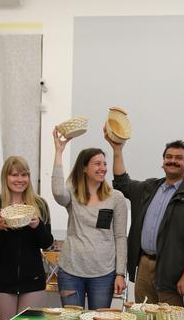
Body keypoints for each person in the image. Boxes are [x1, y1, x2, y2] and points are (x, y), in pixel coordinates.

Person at [106, 132, 184, 307]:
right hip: (144, 266)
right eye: (168, 157)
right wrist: (117, 150)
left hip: (174, 273)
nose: (172, 161)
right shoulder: (150, 187)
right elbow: (122, 184)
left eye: (179, 158)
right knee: (143, 318)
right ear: (163, 161)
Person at [51, 129, 127, 309]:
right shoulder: (72, 193)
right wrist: (59, 152)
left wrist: (120, 274)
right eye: (97, 164)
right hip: (70, 271)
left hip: (104, 274)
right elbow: (58, 192)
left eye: (104, 164)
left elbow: (120, 237)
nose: (103, 168)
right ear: (84, 168)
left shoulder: (116, 198)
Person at [0, 156, 54, 320]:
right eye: (14, 175)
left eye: (24, 175)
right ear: (5, 177)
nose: (20, 179)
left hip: (33, 281)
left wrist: (38, 226)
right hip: (1, 282)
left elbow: (46, 243)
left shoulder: (40, 205)